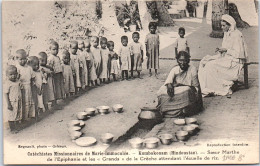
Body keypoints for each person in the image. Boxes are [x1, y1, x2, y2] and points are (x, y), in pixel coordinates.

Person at [198, 14, 248, 97]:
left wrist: (226, 50)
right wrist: (221, 50)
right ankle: (205, 87)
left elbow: (239, 54)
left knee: (211, 65)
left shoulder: (237, 35)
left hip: (235, 61)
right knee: (205, 61)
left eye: (224, 25)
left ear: (230, 25)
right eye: (221, 25)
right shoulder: (227, 33)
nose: (222, 27)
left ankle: (214, 88)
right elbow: (226, 48)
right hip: (226, 58)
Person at [157, 51, 203, 118]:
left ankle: (172, 109)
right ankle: (176, 108)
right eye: (180, 60)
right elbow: (168, 82)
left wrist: (180, 85)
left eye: (185, 60)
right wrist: (169, 85)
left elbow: (196, 88)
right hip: (178, 91)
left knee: (186, 90)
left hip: (189, 93)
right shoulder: (175, 69)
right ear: (177, 61)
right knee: (161, 90)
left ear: (188, 61)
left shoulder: (193, 69)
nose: (182, 63)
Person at [15, 49, 35, 121]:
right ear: (17, 59)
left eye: (24, 59)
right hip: (21, 87)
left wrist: (33, 84)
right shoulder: (17, 68)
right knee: (23, 102)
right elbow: (16, 78)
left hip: (28, 86)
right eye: (21, 59)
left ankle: (30, 115)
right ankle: (23, 118)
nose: (23, 61)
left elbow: (32, 77)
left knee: (29, 100)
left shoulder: (29, 68)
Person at [4, 65, 22, 133]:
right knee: (11, 115)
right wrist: (8, 104)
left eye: (14, 74)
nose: (13, 76)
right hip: (12, 102)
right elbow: (6, 93)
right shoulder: (7, 83)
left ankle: (17, 126)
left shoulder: (18, 81)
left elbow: (20, 89)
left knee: (17, 113)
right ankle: (12, 129)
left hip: (18, 100)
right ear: (7, 75)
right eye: (11, 74)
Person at [47, 41, 64, 108]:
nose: (55, 51)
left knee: (58, 88)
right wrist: (52, 71)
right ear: (50, 50)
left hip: (58, 74)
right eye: (53, 49)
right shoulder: (50, 58)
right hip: (54, 75)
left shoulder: (58, 57)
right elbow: (49, 66)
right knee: (54, 89)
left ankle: (56, 102)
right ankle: (53, 103)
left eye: (57, 49)